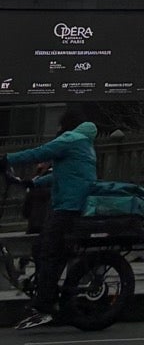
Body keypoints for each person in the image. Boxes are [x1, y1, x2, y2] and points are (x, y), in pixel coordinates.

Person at [1, 107, 98, 330]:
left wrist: (7, 159)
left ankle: (43, 307)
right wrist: (34, 183)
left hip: (67, 208)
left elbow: (40, 152)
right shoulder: (85, 145)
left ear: (67, 126)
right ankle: (49, 295)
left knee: (49, 252)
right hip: (74, 207)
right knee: (42, 248)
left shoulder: (71, 139)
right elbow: (63, 174)